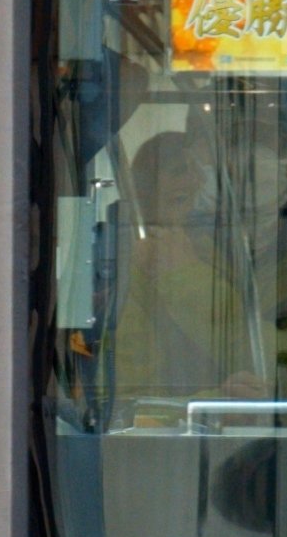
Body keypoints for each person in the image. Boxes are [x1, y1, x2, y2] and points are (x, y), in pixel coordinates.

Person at [107, 125, 251, 410]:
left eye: (196, 171)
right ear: (145, 185)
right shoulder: (119, 259)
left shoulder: (213, 250)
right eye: (177, 171)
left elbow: (239, 343)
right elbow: (128, 395)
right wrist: (217, 403)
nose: (192, 181)